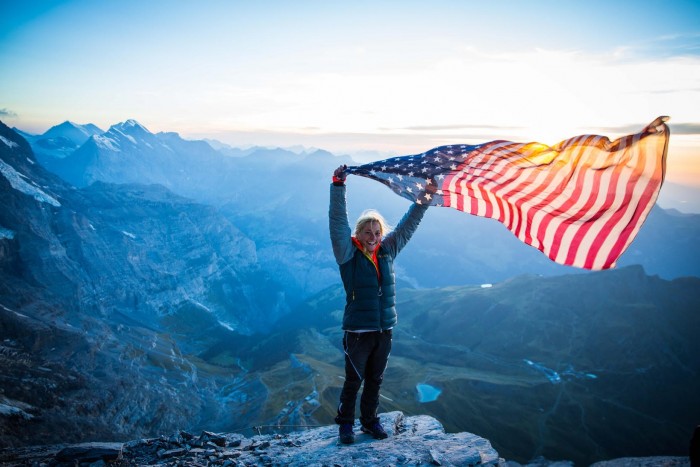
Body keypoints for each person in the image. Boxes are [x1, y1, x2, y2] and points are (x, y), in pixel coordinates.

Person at [328, 164, 429, 444]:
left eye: (377, 232)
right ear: (358, 235)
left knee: (375, 380)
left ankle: (370, 422)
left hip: (385, 329)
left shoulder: (387, 250)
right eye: (368, 233)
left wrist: (425, 198)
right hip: (358, 331)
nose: (373, 238)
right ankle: (345, 425)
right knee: (354, 381)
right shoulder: (347, 254)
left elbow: (408, 226)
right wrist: (338, 185)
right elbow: (337, 222)